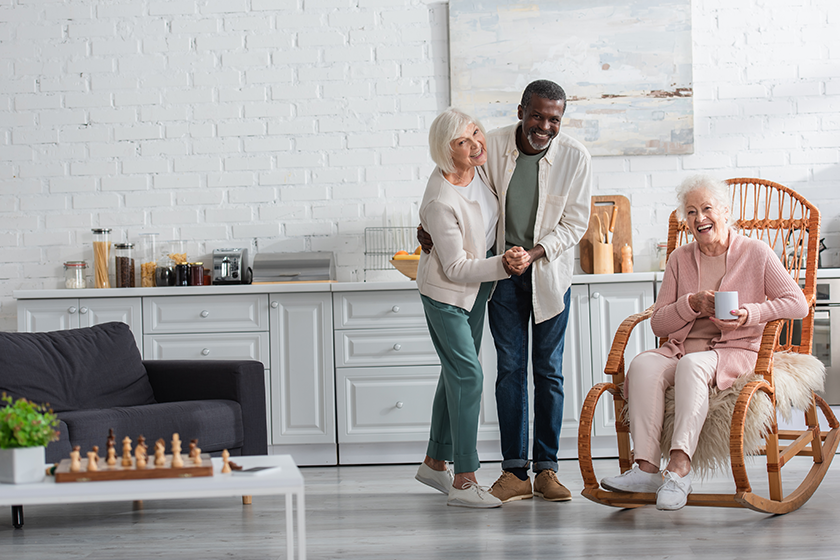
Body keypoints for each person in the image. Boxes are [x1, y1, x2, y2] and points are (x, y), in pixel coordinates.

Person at [419, 80, 592, 503]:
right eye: (537, 116)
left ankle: (547, 469)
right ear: (521, 112)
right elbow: (452, 182)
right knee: (510, 370)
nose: (544, 126)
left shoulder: (575, 157)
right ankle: (515, 472)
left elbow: (575, 224)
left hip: (547, 273)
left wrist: (533, 254)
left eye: (554, 119)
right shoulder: (490, 146)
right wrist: (427, 226)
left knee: (548, 371)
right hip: (499, 277)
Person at [600, 174, 808, 510]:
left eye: (707, 208)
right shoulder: (679, 259)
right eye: (692, 212)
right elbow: (659, 322)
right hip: (681, 349)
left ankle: (679, 470)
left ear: (725, 211)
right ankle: (646, 468)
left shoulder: (755, 252)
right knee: (642, 365)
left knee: (691, 366)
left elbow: (797, 304)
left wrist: (750, 314)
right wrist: (691, 304)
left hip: (734, 351)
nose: (700, 218)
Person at [413, 108, 530, 508]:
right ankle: (464, 479)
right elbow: (455, 267)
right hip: (447, 295)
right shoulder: (441, 199)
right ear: (447, 151)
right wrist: (504, 264)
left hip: (478, 290)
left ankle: (434, 462)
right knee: (469, 376)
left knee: (455, 376)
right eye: (463, 141)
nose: (476, 143)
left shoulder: (478, 169)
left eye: (476, 132)